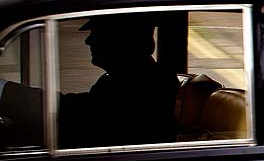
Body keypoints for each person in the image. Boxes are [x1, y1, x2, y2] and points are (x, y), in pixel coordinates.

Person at [0, 13, 179, 149]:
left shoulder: (144, 85)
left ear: (122, 39)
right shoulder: (126, 78)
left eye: (98, 33)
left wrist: (5, 92)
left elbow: (77, 116)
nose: (88, 40)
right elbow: (79, 110)